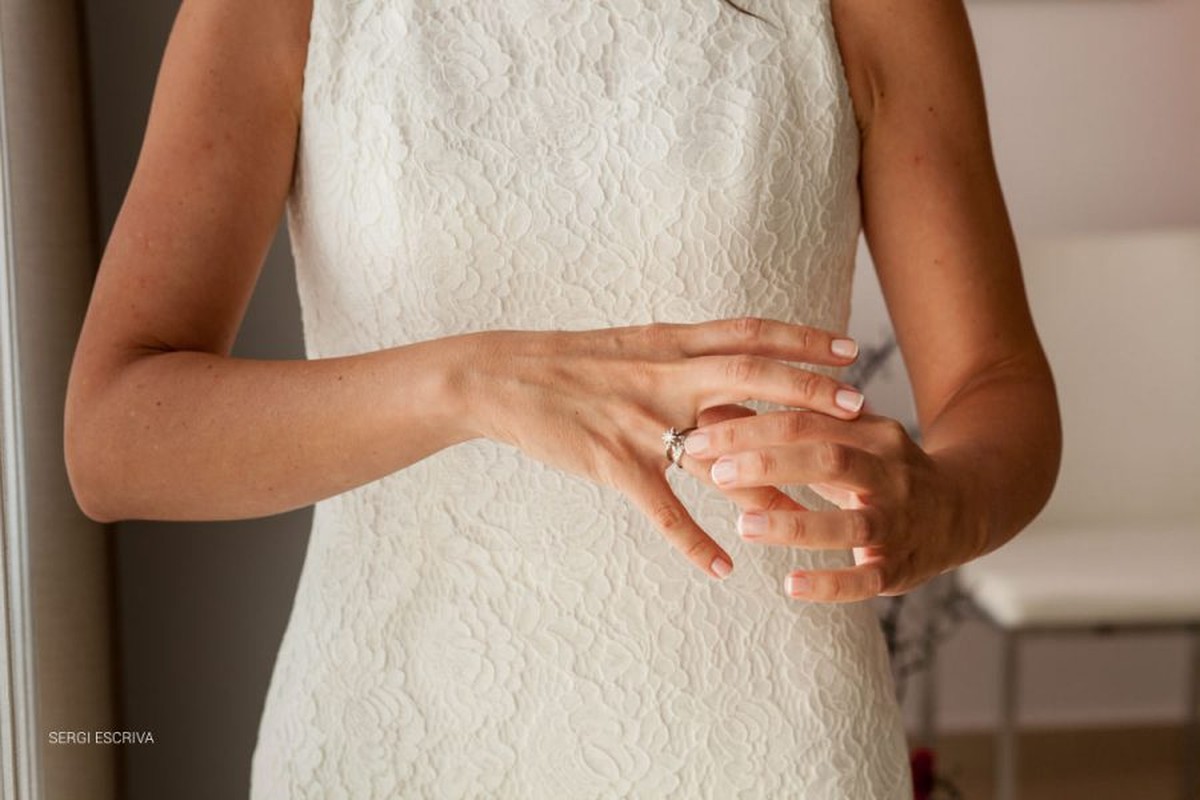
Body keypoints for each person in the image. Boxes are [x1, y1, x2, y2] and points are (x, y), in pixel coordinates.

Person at [63, 0, 1060, 796]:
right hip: (394, 727)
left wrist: (944, 499)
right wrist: (464, 381)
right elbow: (112, 437)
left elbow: (998, 386)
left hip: (765, 738)